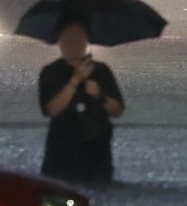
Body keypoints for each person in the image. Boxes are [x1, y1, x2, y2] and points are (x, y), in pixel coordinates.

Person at [38, 18, 125, 185]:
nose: (72, 44)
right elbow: (51, 109)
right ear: (60, 43)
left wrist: (99, 95)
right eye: (67, 40)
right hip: (61, 153)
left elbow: (117, 110)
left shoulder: (101, 70)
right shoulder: (51, 72)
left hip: (96, 151)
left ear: (86, 43)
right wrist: (76, 80)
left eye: (77, 40)